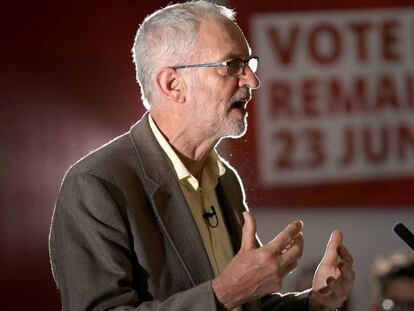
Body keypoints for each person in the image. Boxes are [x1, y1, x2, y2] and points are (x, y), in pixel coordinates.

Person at [49, 1, 354, 310]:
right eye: (233, 66)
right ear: (172, 84)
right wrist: (224, 292)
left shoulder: (224, 179)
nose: (252, 80)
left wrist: (314, 303)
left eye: (249, 64)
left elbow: (249, 305)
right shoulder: (96, 186)